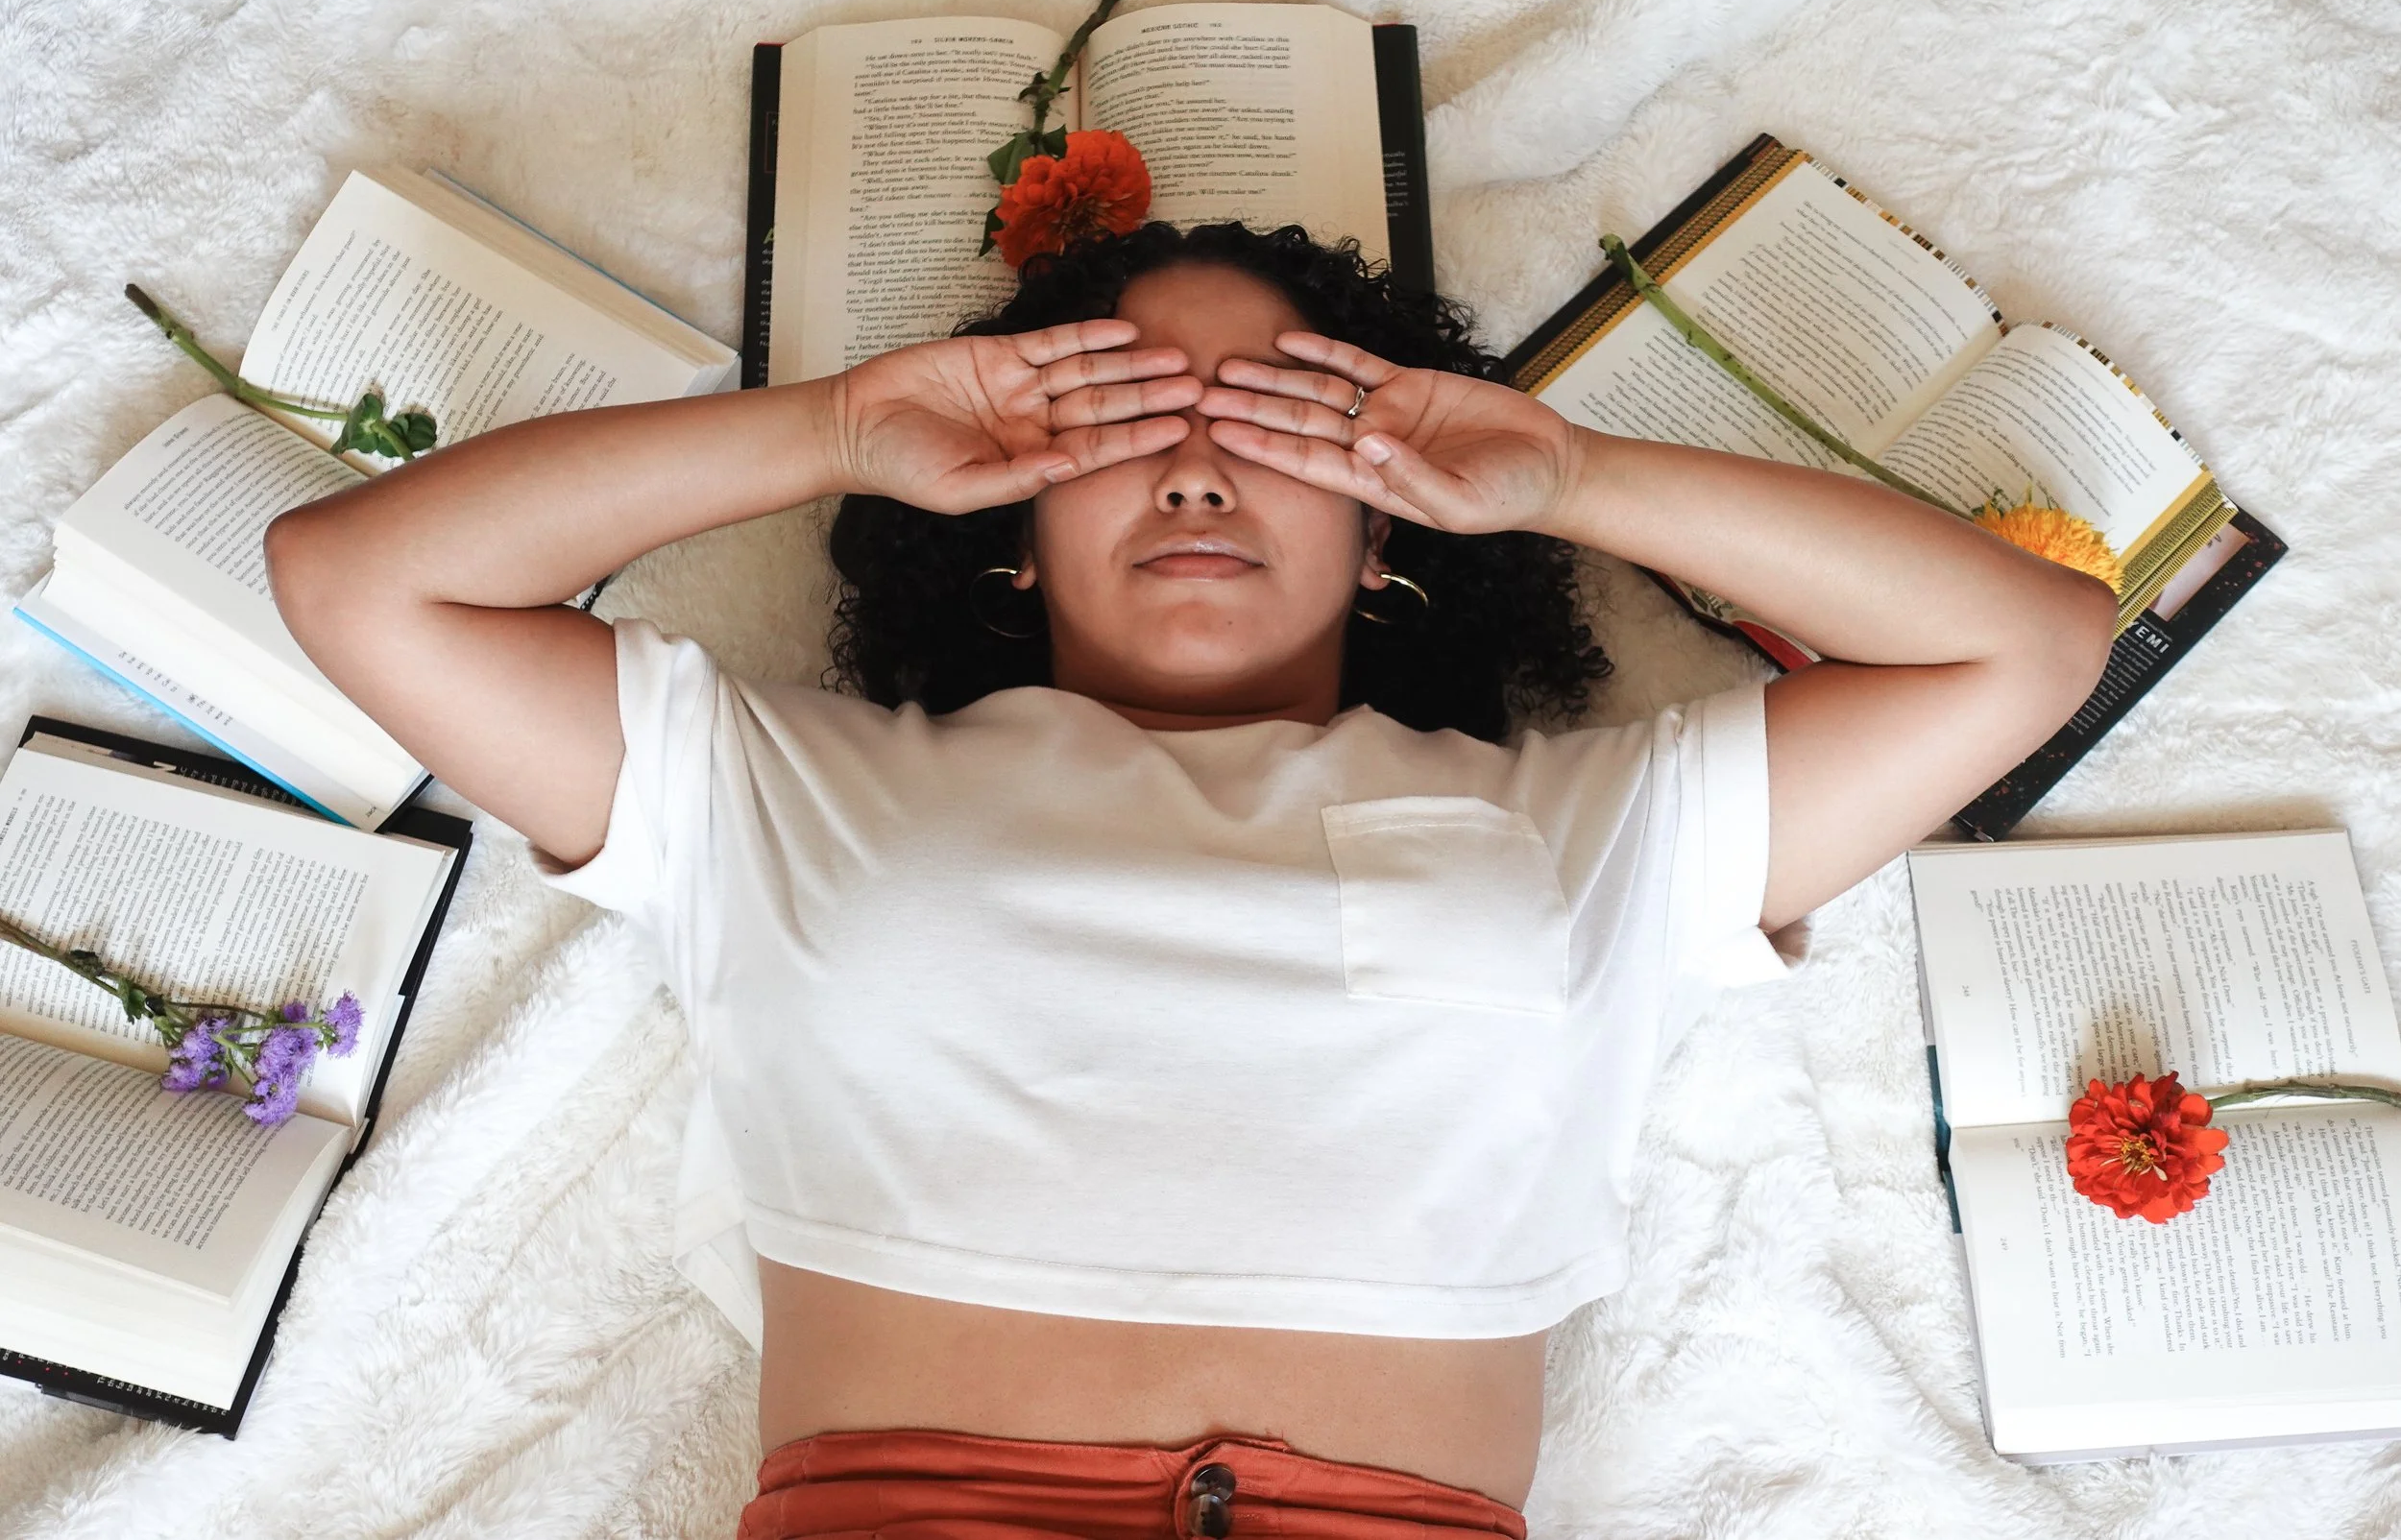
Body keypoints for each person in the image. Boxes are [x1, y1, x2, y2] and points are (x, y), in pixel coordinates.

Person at [265, 221, 2114, 1539]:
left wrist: (1569, 471)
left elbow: (2024, 647)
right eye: (1127, 417)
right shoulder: (782, 784)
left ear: (1387, 520)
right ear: (1006, 518)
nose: (1205, 462)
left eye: (1285, 417)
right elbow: (358, 580)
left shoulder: (1581, 822)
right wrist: (832, 430)